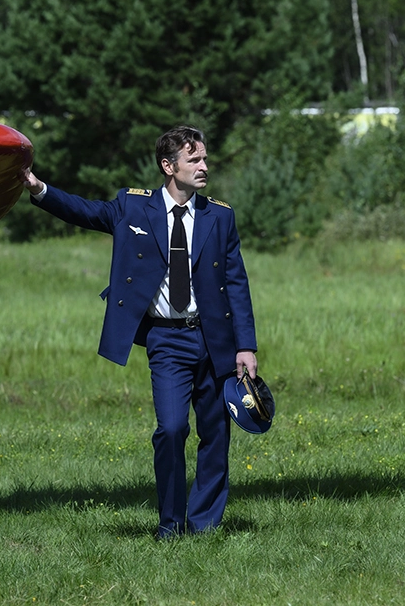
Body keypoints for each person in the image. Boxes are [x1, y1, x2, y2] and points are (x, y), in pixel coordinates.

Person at [21, 125, 257, 537]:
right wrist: (39, 188)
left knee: (216, 433)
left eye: (205, 158)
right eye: (194, 159)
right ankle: (171, 523)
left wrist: (246, 347)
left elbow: (236, 283)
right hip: (166, 339)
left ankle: (203, 525)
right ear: (169, 166)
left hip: (214, 340)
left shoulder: (220, 216)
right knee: (171, 429)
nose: (204, 166)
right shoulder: (133, 207)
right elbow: (85, 211)